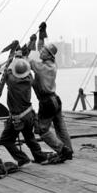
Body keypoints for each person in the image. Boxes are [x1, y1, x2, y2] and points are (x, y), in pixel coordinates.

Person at [28, 22, 74, 164]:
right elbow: (41, 48)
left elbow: (25, 60)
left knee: (42, 130)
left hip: (47, 102)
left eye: (43, 52)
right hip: (55, 100)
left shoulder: (41, 67)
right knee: (60, 127)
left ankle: (62, 150)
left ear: (48, 55)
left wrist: (28, 46)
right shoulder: (52, 64)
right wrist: (41, 35)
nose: (40, 51)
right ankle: (69, 151)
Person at [0, 57, 54, 166]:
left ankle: (23, 159)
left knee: (5, 140)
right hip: (29, 115)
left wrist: (14, 58)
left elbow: (7, 71)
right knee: (29, 138)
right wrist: (20, 58)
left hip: (18, 117)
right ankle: (41, 158)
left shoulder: (11, 81)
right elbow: (22, 70)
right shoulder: (29, 79)